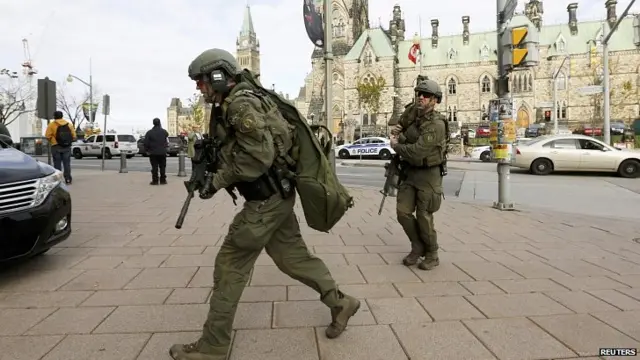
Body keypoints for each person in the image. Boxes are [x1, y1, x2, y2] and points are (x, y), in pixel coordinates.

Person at [169, 48, 360, 360]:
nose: (198, 87)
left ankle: (213, 346)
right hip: (277, 197)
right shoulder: (238, 99)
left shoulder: (240, 105)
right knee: (294, 259)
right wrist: (210, 173)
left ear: (218, 76)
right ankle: (341, 302)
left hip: (265, 201)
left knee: (230, 264)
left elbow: (258, 157)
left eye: (202, 81)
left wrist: (217, 182)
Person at [389, 79, 447, 271]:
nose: (421, 97)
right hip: (409, 171)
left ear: (435, 100)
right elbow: (400, 124)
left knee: (424, 216)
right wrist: (398, 131)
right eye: (419, 94)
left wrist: (398, 145)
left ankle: (432, 253)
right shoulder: (412, 112)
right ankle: (417, 245)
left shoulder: (437, 124)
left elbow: (417, 151)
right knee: (403, 212)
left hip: (428, 175)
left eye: (426, 95)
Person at [45, 111, 76, 184]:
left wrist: (53, 141)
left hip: (56, 146)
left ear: (54, 116)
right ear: (62, 116)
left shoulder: (51, 125)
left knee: (57, 164)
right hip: (67, 147)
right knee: (67, 164)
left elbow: (47, 136)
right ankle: (68, 179)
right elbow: (74, 136)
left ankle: (58, 181)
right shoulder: (69, 124)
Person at [143, 118, 169, 185]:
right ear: (159, 123)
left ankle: (155, 181)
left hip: (153, 152)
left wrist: (147, 150)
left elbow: (146, 143)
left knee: (154, 167)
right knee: (162, 167)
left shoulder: (149, 132)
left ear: (153, 123)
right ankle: (163, 180)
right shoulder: (164, 131)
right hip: (162, 152)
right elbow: (166, 136)